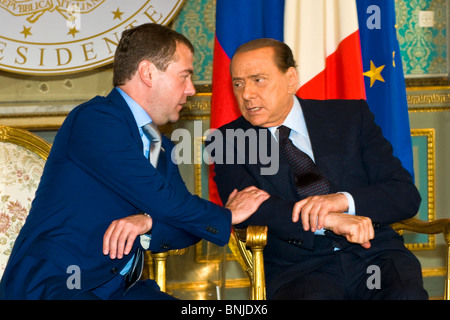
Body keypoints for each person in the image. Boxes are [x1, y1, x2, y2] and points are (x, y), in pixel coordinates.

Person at [0, 23, 269, 300]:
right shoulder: (95, 120)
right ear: (148, 73)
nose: (191, 90)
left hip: (120, 289)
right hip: (56, 283)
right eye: (184, 76)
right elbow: (165, 200)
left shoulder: (160, 146)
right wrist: (227, 215)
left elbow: (185, 228)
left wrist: (148, 222)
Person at [208, 38, 428, 300]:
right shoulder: (226, 141)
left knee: (402, 294)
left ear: (291, 79)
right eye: (238, 83)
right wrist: (328, 219)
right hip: (301, 270)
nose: (246, 94)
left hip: (373, 257)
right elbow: (252, 209)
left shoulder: (350, 117)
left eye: (258, 80)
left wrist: (342, 202)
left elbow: (403, 193)